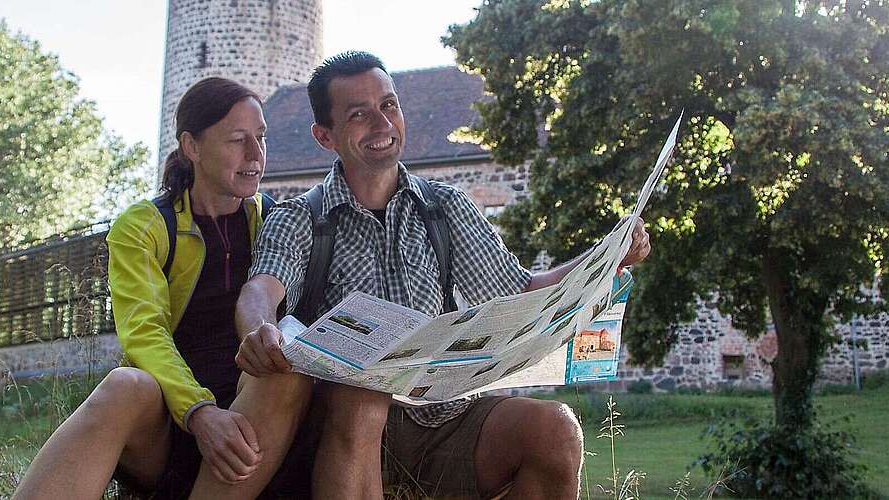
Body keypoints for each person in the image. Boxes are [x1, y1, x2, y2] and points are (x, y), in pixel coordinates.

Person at [233, 52, 652, 499]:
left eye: (389, 105)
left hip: (443, 418)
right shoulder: (300, 219)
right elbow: (260, 289)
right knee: (361, 399)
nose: (381, 123)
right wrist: (260, 329)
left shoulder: (445, 208)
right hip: (340, 427)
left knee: (555, 429)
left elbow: (522, 290)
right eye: (359, 114)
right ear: (325, 136)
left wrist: (608, 257)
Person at [16, 77, 312, 500]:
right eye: (237, 140)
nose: (255, 154)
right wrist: (199, 412)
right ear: (191, 146)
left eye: (261, 138)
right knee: (124, 384)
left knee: (284, 373)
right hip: (171, 426)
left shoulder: (273, 220)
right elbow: (144, 331)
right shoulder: (145, 226)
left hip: (256, 430)